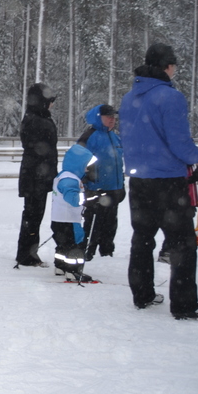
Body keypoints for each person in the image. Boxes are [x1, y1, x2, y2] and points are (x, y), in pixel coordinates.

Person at [119, 43, 198, 320]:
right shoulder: (170, 97)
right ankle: (184, 305)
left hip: (139, 179)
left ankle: (142, 295)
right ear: (167, 66)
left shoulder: (128, 98)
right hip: (167, 180)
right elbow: (179, 141)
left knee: (143, 238)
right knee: (183, 243)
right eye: (174, 66)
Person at [15, 83, 58, 268]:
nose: (52, 105)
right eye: (49, 101)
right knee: (32, 217)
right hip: (35, 177)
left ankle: (28, 253)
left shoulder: (37, 117)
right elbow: (39, 150)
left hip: (38, 176)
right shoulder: (36, 119)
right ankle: (27, 255)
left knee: (33, 217)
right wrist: (44, 173)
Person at [77, 104, 125, 260]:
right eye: (108, 117)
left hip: (114, 189)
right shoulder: (89, 136)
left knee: (110, 225)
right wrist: (86, 182)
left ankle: (107, 253)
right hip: (96, 190)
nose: (112, 120)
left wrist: (121, 185)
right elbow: (77, 162)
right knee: (92, 225)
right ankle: (87, 253)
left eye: (114, 117)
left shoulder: (115, 136)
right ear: (98, 118)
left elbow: (118, 163)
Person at [50, 144, 96, 283]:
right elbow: (73, 199)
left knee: (62, 244)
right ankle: (73, 270)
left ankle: (60, 266)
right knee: (75, 244)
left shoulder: (63, 176)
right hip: (69, 219)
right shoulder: (70, 180)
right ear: (78, 164)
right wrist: (89, 198)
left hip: (58, 219)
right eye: (86, 165)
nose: (87, 169)